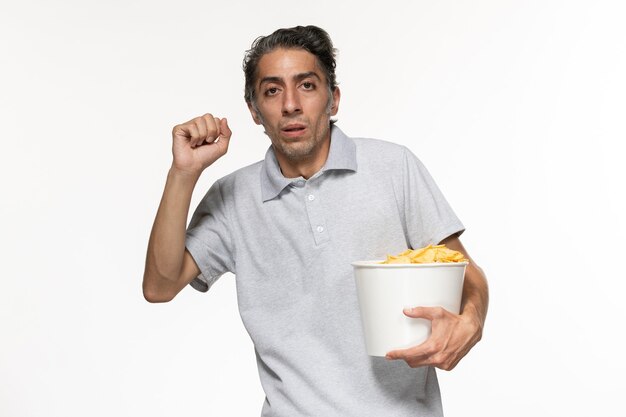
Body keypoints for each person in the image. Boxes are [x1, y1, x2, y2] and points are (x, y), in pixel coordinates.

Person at [143, 25, 488, 417]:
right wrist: (183, 174)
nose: (290, 104)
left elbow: (467, 276)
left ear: (333, 99)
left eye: (306, 85)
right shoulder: (233, 197)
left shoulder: (394, 168)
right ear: (254, 110)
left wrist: (471, 322)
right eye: (272, 90)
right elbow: (160, 286)